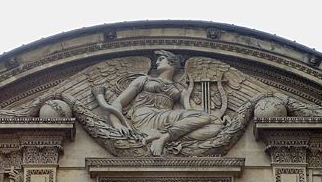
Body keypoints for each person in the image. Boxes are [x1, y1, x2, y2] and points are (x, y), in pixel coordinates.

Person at [94, 50, 225, 156]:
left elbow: (193, 113)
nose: (156, 62)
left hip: (167, 118)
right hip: (145, 118)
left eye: (161, 59)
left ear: (172, 62)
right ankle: (166, 137)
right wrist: (117, 124)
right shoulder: (144, 80)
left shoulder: (180, 89)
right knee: (206, 118)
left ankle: (163, 137)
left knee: (216, 125)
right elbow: (118, 103)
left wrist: (219, 117)